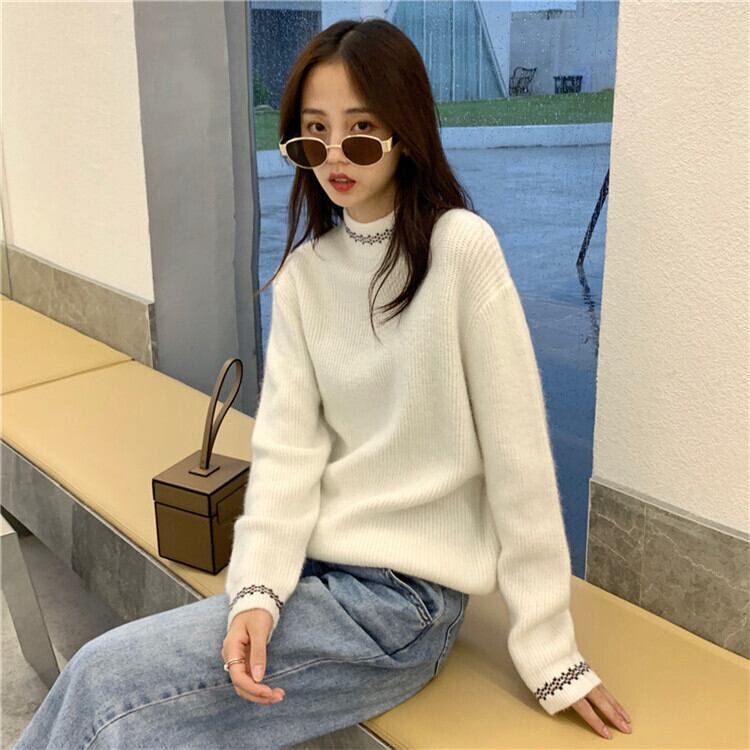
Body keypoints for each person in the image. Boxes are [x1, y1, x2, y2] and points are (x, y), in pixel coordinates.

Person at [15, 18, 632, 750]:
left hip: (402, 605)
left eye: (361, 131)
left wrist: (550, 651)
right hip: (313, 570)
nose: (335, 155)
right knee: (102, 686)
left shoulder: (461, 250)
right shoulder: (306, 276)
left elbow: (518, 457)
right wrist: (257, 591)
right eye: (314, 134)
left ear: (405, 133)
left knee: (102, 687)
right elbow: (286, 454)